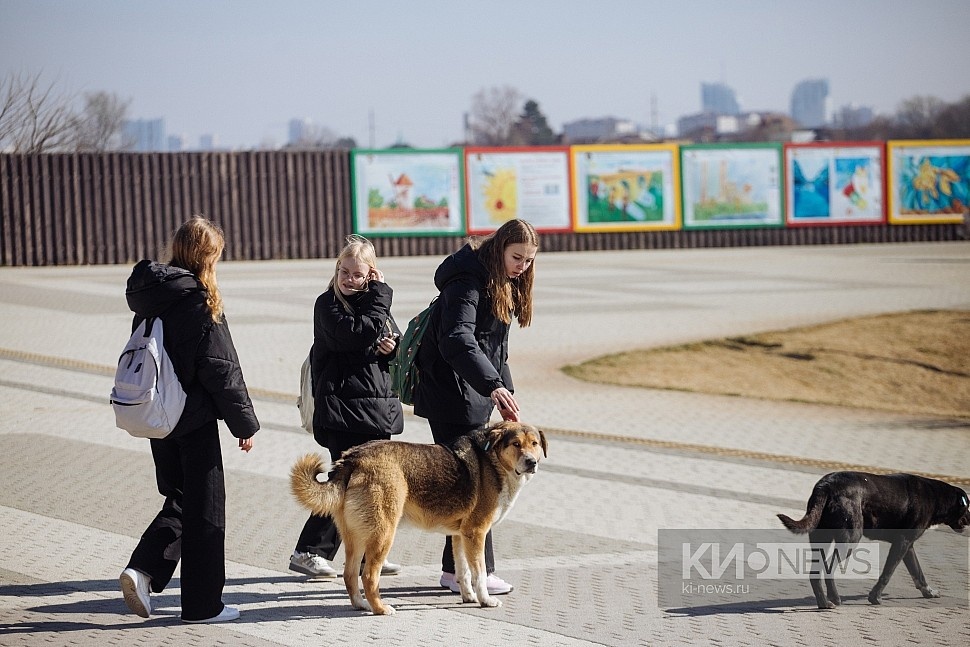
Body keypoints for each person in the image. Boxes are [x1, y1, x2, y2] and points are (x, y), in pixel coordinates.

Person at [118, 216, 259, 624]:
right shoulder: (200, 301)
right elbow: (221, 369)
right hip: (193, 421)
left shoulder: (152, 296)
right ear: (207, 258)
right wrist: (244, 426)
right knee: (206, 511)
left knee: (180, 499)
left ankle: (143, 570)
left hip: (158, 418)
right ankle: (202, 606)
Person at [412, 218, 539, 596]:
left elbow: (495, 346)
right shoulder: (467, 279)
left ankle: (456, 572)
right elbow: (458, 340)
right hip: (451, 392)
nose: (522, 267)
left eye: (529, 261)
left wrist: (505, 393)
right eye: (517, 257)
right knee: (479, 484)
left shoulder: (502, 281)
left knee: (471, 485)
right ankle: (473, 574)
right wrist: (493, 385)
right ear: (499, 249)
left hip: (474, 390)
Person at [289, 235, 405, 578]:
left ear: (371, 274)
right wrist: (381, 298)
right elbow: (353, 336)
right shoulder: (328, 305)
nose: (349, 278)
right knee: (343, 483)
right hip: (343, 411)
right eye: (344, 270)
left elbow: (388, 339)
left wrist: (391, 348)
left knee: (371, 490)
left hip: (375, 408)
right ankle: (309, 551)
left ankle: (371, 556)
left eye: (357, 273)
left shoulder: (374, 304)